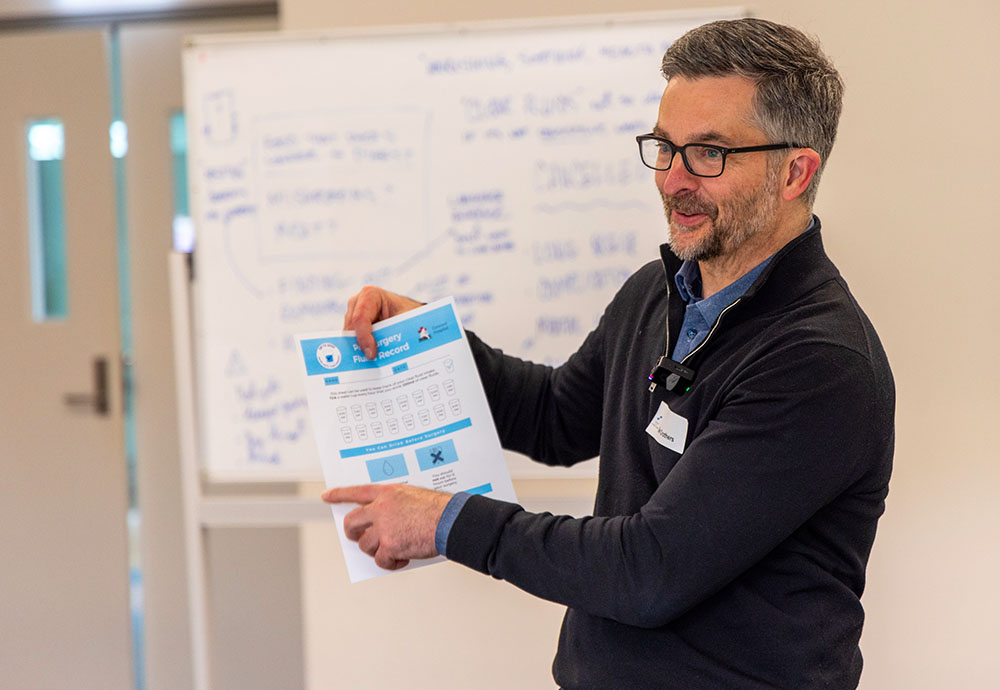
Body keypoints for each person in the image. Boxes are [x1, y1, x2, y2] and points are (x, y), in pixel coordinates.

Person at [323, 17, 894, 690]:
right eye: (665, 146)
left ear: (796, 171)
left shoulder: (819, 362)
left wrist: (447, 523)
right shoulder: (659, 293)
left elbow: (649, 570)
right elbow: (555, 418)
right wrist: (434, 344)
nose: (674, 179)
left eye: (708, 153)